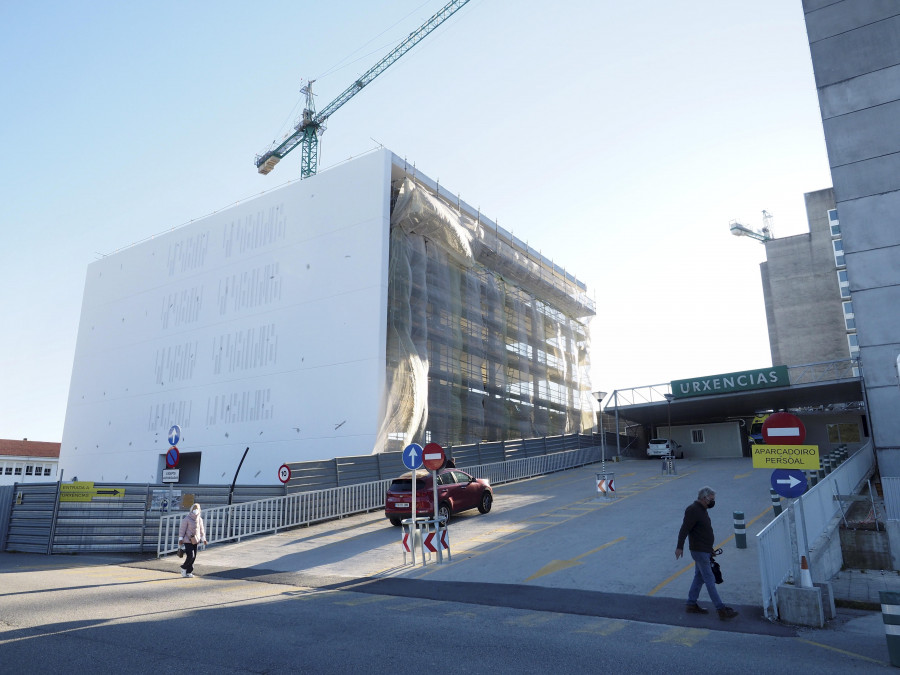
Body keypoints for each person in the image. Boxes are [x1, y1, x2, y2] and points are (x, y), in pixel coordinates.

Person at [675, 486, 738, 620]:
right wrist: (679, 546)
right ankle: (721, 609)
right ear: (704, 498)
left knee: (699, 577)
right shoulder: (693, 510)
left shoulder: (702, 509)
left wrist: (710, 550)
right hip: (699, 551)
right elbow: (684, 529)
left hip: (703, 550)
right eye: (712, 499)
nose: (713, 502)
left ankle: (691, 604)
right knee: (710, 579)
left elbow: (702, 532)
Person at [178, 503, 207, 578]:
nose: (196, 510)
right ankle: (184, 567)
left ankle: (189, 572)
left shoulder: (200, 519)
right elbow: (182, 529)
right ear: (191, 509)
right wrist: (180, 539)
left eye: (197, 509)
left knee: (194, 557)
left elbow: (201, 530)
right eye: (194, 509)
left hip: (196, 540)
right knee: (191, 555)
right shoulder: (187, 518)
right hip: (187, 540)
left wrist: (204, 539)